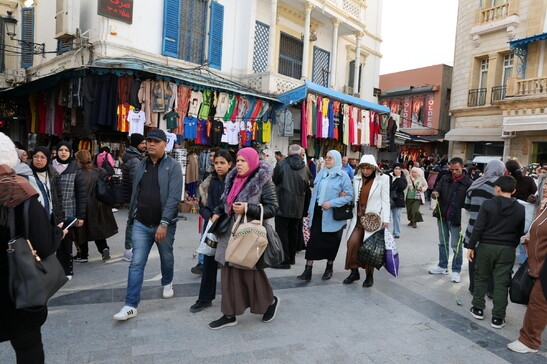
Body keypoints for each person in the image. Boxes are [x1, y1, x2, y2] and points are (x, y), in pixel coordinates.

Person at [0, 133, 65, 364]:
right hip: (17, 290)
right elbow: (45, 245)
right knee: (28, 347)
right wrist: (59, 232)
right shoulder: (21, 194)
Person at [114, 129, 182, 321]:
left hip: (164, 224)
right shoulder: (140, 165)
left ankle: (167, 282)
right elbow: (135, 193)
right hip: (141, 223)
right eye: (148, 141)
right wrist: (132, 216)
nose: (151, 144)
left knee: (166, 257)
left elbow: (174, 197)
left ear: (164, 145)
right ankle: (130, 305)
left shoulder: (173, 166)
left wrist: (164, 222)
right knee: (136, 263)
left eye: (155, 141)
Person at [209, 148, 280, 329]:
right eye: (238, 160)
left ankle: (269, 302)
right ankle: (229, 314)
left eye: (243, 160)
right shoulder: (232, 179)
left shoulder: (264, 181)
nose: (239, 164)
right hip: (229, 233)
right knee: (228, 272)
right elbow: (225, 204)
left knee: (250, 273)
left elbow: (273, 208)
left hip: (249, 234)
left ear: (252, 161)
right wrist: (217, 212)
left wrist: (248, 208)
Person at [467, 176, 525, 329]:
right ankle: (498, 318)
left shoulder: (488, 204)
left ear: (497, 188)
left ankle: (478, 309)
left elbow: (478, 227)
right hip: (507, 249)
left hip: (486, 246)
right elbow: (519, 231)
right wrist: (511, 246)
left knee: (481, 277)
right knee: (501, 283)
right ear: (513, 191)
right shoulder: (520, 208)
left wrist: (471, 246)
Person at [297, 150, 353, 282]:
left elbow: (349, 196)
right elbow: (314, 194)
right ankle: (308, 270)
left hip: (333, 215)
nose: (327, 160)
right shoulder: (321, 173)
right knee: (312, 243)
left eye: (330, 158)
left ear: (337, 160)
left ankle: (329, 267)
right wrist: (310, 211)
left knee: (332, 244)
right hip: (318, 213)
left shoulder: (343, 176)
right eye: (326, 158)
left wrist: (332, 203)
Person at [507, 178, 547, 353]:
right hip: (537, 262)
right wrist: (528, 239)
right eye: (545, 183)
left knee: (538, 302)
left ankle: (529, 341)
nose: (544, 187)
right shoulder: (543, 206)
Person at [190, 150, 232, 313]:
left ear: (230, 164)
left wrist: (219, 212)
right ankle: (205, 298)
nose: (219, 166)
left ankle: (232, 298)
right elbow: (202, 205)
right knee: (208, 262)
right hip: (213, 227)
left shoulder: (235, 181)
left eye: (223, 163)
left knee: (230, 264)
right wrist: (210, 216)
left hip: (230, 226)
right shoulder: (208, 181)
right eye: (216, 163)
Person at [343, 155, 390, 287]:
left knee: (370, 248)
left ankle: (369, 275)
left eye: (368, 168)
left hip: (373, 219)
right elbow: (352, 196)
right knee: (352, 244)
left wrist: (386, 219)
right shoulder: (356, 179)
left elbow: (385, 201)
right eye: (363, 168)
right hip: (357, 218)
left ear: (374, 167)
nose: (365, 171)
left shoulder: (383, 179)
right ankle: (354, 271)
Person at [463, 159, 505, 296]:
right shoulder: (499, 187)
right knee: (492, 261)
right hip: (491, 231)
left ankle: (473, 287)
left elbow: (467, 206)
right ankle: (490, 290)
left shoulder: (476, 184)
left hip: (473, 229)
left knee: (472, 258)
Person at [430, 157, 472, 283]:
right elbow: (436, 189)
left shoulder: (469, 182)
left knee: (456, 245)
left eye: (457, 169)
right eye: (452, 169)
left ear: (462, 167)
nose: (454, 172)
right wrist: (435, 193)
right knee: (442, 242)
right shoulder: (445, 178)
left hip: (457, 219)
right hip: (442, 215)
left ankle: (456, 270)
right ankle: (442, 266)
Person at [73, 150, 117, 263]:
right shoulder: (98, 171)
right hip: (99, 205)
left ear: (78, 161)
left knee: (81, 231)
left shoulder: (77, 174)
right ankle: (104, 249)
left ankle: (83, 255)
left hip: (83, 206)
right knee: (98, 230)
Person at [272, 144, 312, 269]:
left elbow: (274, 181)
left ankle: (284, 260)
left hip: (283, 203)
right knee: (294, 231)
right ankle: (292, 258)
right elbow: (308, 184)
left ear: (288, 154)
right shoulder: (305, 167)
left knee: (282, 232)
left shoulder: (282, 165)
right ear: (300, 154)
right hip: (298, 205)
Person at [51, 141, 86, 278]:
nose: (63, 152)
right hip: (51, 212)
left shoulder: (75, 168)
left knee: (65, 242)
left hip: (68, 211)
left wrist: (80, 216)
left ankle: (66, 270)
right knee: (48, 240)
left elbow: (81, 194)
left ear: (70, 152)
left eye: (66, 150)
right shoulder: (49, 166)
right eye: (61, 150)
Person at [506, 159, 538, 264]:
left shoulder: (507, 181)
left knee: (511, 237)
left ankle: (507, 260)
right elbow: (535, 195)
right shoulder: (529, 180)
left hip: (510, 212)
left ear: (508, 171)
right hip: (525, 213)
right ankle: (524, 264)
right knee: (523, 237)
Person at [121, 133, 146, 262]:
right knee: (133, 222)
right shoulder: (135, 160)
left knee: (133, 221)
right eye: (142, 143)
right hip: (135, 197)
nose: (145, 145)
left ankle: (129, 249)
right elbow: (136, 182)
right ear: (136, 144)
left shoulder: (132, 157)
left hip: (132, 196)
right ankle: (128, 250)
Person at [390, 163, 406, 238]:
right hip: (388, 200)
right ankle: (386, 232)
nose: (397, 170)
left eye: (399, 169)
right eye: (396, 168)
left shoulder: (403, 178)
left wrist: (398, 178)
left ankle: (396, 233)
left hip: (398, 200)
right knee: (387, 217)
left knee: (397, 217)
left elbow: (402, 187)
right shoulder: (388, 176)